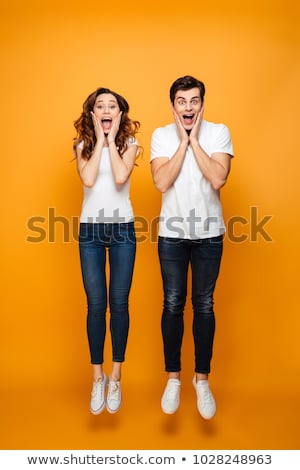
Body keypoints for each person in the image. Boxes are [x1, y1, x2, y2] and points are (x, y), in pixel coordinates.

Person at [150, 75, 234, 419]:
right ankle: (173, 379)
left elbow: (217, 178)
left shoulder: (218, 132)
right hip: (172, 234)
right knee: (172, 304)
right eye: (182, 101)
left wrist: (195, 140)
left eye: (194, 100)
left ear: (202, 103)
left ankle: (201, 380)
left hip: (209, 235)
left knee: (204, 305)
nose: (188, 107)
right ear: (173, 105)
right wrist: (182, 143)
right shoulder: (160, 135)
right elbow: (160, 181)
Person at [73, 87, 140, 415]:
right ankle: (97, 377)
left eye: (112, 105)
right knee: (96, 306)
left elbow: (119, 176)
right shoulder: (83, 145)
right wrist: (99, 140)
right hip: (90, 234)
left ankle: (116, 376)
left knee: (120, 304)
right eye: (100, 106)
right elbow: (87, 180)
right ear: (92, 113)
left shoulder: (131, 145)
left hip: (123, 232)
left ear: (120, 113)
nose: (106, 109)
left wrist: (112, 141)